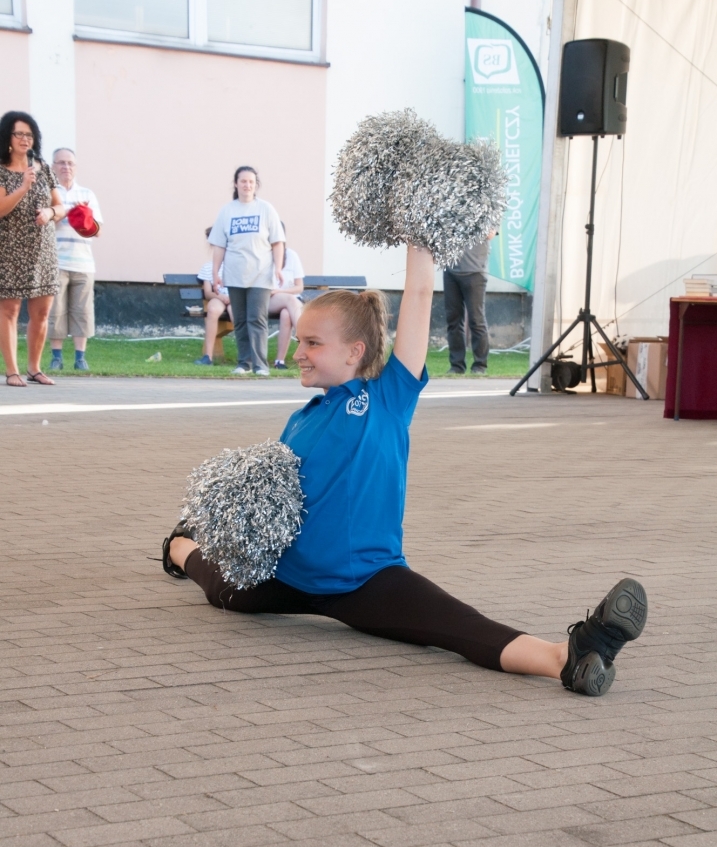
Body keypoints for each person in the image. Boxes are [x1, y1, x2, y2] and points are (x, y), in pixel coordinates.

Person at [162, 244, 647, 698]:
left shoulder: (387, 398)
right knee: (223, 588)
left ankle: (573, 656)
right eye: (301, 341)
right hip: (288, 574)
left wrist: (420, 236)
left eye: (313, 343)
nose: (298, 352)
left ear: (354, 351)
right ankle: (180, 545)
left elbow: (418, 292)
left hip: (367, 583)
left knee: (462, 629)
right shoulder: (303, 416)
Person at [0, 110, 65, 387]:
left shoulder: (42, 166)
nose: (25, 139)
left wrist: (50, 213)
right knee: (10, 311)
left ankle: (34, 368)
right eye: (19, 134)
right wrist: (24, 186)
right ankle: (12, 371)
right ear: (8, 138)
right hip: (10, 249)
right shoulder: (1, 170)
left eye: (29, 134)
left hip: (43, 251)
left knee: (42, 313)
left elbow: (61, 206)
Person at [208, 165, 284, 377]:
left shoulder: (266, 209)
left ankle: (261, 365)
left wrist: (278, 269)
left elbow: (278, 242)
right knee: (240, 320)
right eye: (243, 181)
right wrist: (216, 273)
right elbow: (219, 246)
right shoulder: (227, 211)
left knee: (257, 319)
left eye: (251, 182)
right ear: (236, 184)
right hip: (234, 275)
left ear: (255, 185)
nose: (247, 185)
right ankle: (244, 363)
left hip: (260, 274)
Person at [47, 147, 103, 373]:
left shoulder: (87, 194)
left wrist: (85, 220)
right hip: (56, 262)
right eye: (61, 163)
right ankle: (56, 357)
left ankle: (80, 358)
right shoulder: (49, 192)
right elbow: (41, 223)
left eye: (70, 163)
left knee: (83, 310)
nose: (66, 167)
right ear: (53, 167)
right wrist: (59, 214)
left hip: (83, 263)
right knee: (55, 310)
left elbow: (98, 231)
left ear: (76, 167)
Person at [443, 231, 496, 376]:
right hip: (450, 270)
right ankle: (456, 366)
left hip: (475, 271)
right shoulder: (449, 208)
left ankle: (480, 365)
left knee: (476, 320)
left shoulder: (487, 209)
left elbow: (490, 233)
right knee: (453, 320)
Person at [194, 227, 233, 366]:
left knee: (236, 314)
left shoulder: (236, 266)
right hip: (218, 297)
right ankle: (208, 356)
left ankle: (245, 357)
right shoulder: (208, 267)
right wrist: (221, 296)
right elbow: (208, 292)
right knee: (212, 310)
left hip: (235, 298)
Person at [270, 225, 304, 370]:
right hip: (268, 300)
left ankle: (279, 361)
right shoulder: (262, 255)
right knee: (289, 300)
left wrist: (280, 291)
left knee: (286, 314)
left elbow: (299, 287)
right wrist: (277, 292)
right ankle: (304, 335)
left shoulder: (291, 255)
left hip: (291, 302)